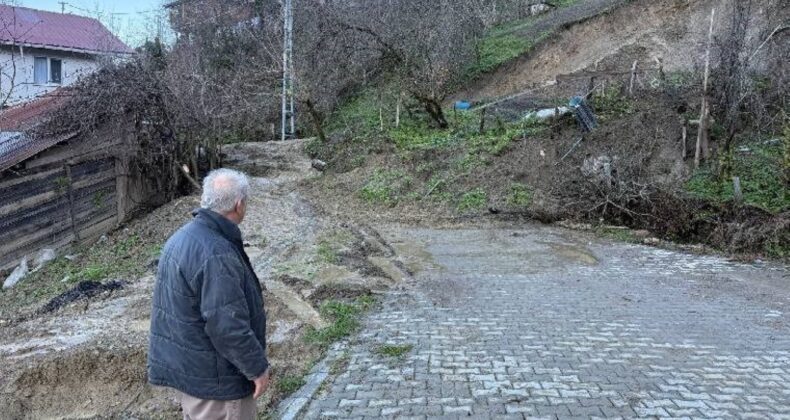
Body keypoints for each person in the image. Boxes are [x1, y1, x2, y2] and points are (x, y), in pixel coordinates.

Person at [148, 168, 270, 420]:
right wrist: (256, 368)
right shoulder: (216, 253)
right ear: (239, 204)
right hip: (220, 385)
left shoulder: (181, 238)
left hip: (195, 377)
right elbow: (228, 326)